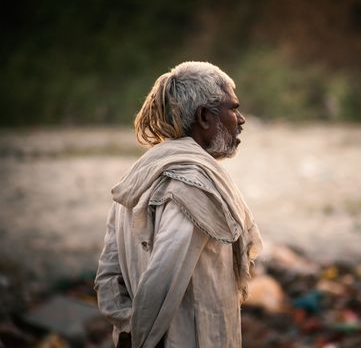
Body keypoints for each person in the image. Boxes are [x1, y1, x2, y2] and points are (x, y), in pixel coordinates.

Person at [94, 61, 263, 348]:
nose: (242, 119)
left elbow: (108, 279)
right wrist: (142, 338)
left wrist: (126, 326)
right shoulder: (192, 185)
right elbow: (163, 277)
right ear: (204, 117)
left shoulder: (138, 177)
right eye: (233, 109)